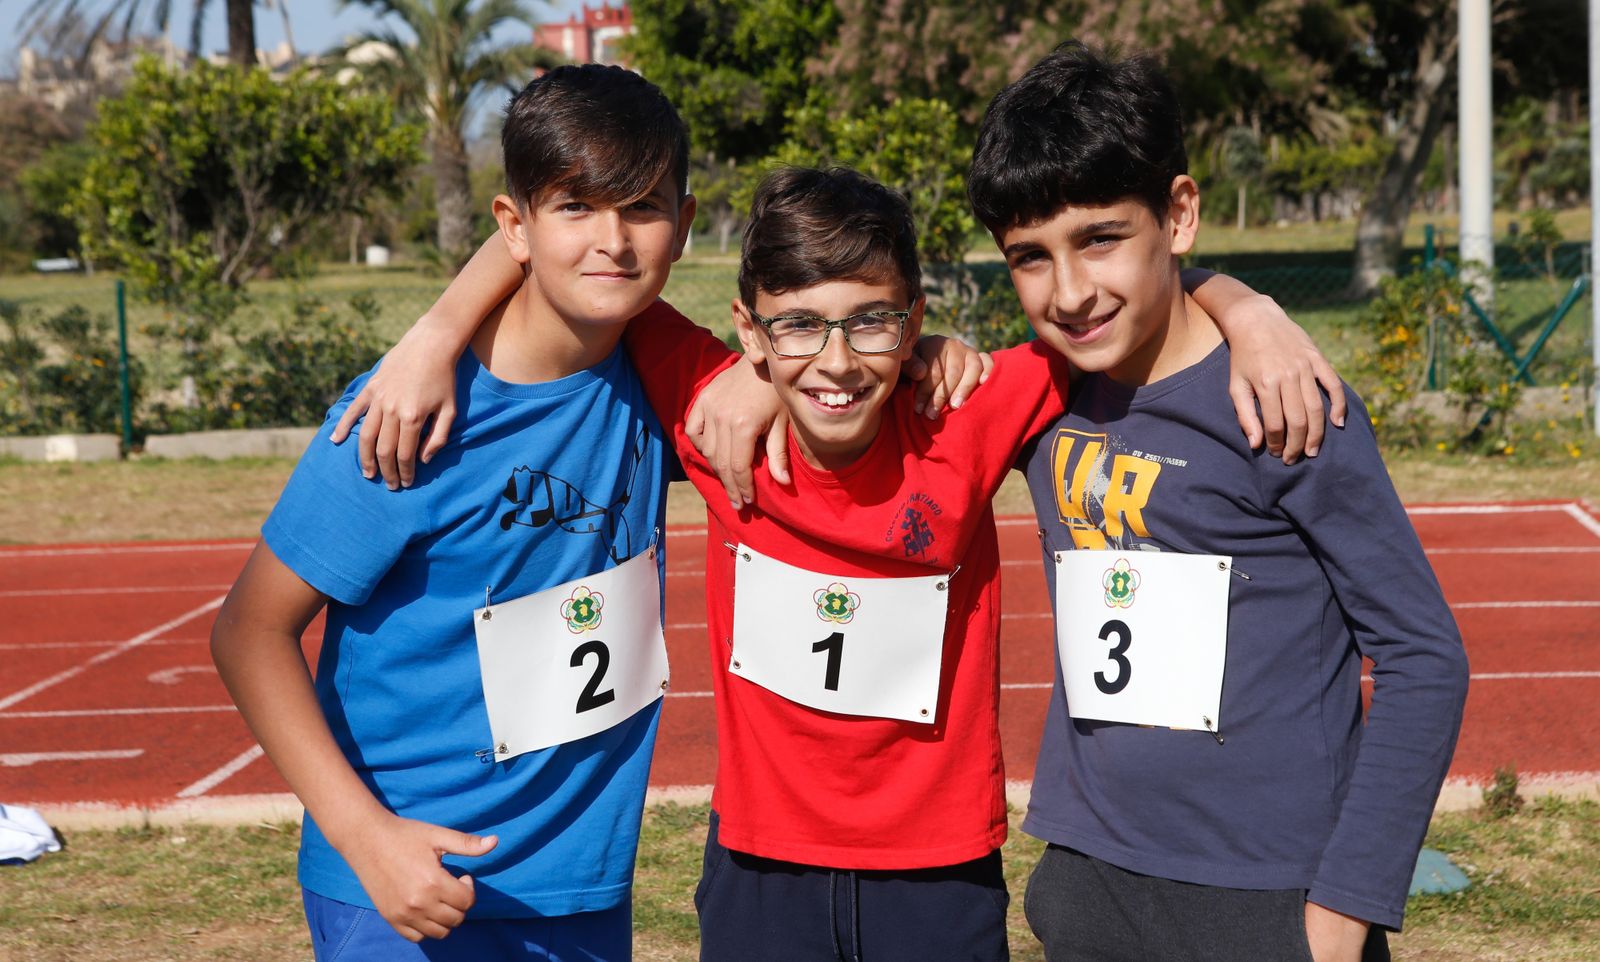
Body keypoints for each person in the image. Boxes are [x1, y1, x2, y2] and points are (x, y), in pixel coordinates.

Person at [340, 154, 1346, 958]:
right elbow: (564, 256)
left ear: (913, 322)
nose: (834, 360)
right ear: (750, 328)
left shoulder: (970, 411)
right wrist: (433, 334)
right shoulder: (711, 407)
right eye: (798, 328)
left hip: (939, 874)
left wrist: (1245, 307)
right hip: (760, 870)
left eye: (872, 322)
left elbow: (1117, 300)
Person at [965, 41, 1471, 962]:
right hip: (1089, 883)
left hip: (1268, 896)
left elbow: (1422, 655)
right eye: (1030, 257)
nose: (1070, 292)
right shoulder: (1041, 394)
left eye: (1101, 238)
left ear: (1180, 214)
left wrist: (1343, 911)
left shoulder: (1284, 403)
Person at [209, 64, 698, 960]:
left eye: (642, 208)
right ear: (514, 226)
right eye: (577, 207)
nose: (613, 240)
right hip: (407, 882)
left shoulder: (661, 383)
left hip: (581, 888)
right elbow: (249, 631)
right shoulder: (406, 414)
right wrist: (367, 839)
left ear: (686, 223)